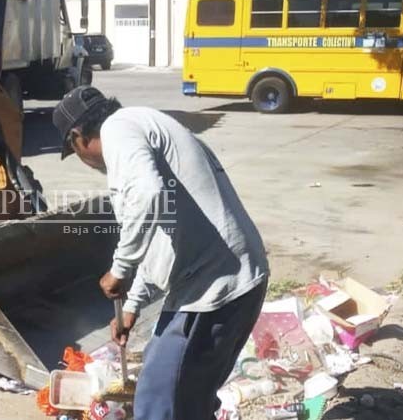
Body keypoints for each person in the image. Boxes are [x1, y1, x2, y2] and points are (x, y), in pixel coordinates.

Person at [52, 86, 270, 420]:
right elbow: (159, 242)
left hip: (216, 285)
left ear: (78, 138)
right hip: (232, 278)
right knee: (188, 398)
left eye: (76, 152)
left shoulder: (118, 129)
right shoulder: (144, 125)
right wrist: (132, 307)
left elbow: (148, 193)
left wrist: (120, 269)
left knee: (158, 395)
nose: (87, 162)